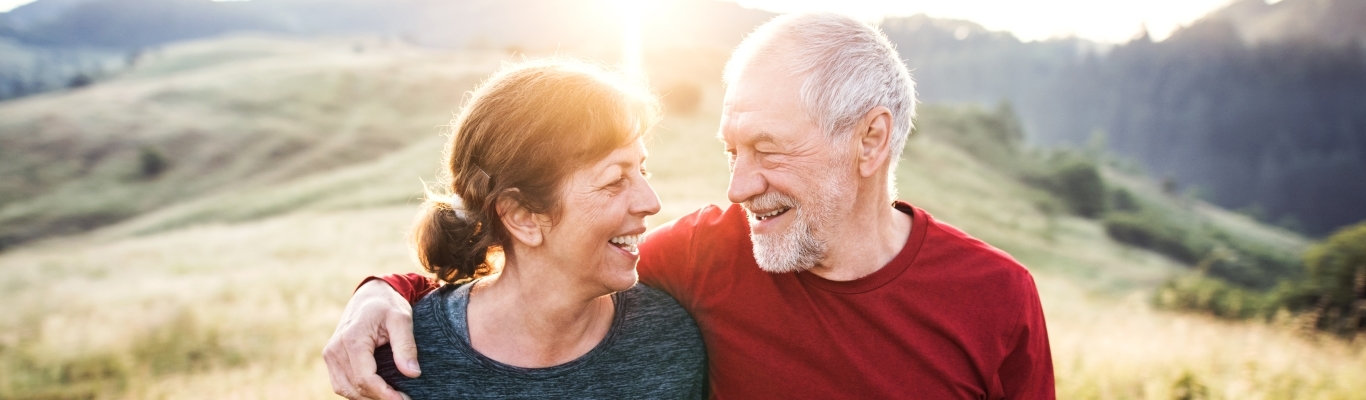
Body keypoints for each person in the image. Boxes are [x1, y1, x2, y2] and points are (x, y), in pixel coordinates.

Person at [326, 12, 1054, 399]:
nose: (738, 186)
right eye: (730, 150)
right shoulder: (707, 258)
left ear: (870, 141)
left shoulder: (997, 301)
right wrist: (382, 293)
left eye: (769, 149)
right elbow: (544, 268)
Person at [333, 59, 707, 399]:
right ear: (522, 216)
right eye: (614, 180)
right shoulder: (405, 360)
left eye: (642, 170)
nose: (651, 201)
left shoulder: (668, 342)